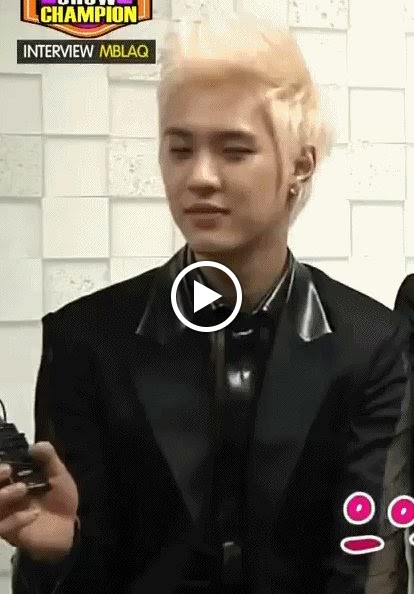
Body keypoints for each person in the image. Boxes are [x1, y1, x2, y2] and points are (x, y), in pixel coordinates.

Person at [3, 12, 413, 593]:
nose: (199, 177)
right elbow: (64, 554)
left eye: (234, 150)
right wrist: (61, 552)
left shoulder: (372, 345)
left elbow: (369, 563)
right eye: (179, 149)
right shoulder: (86, 341)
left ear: (300, 165)